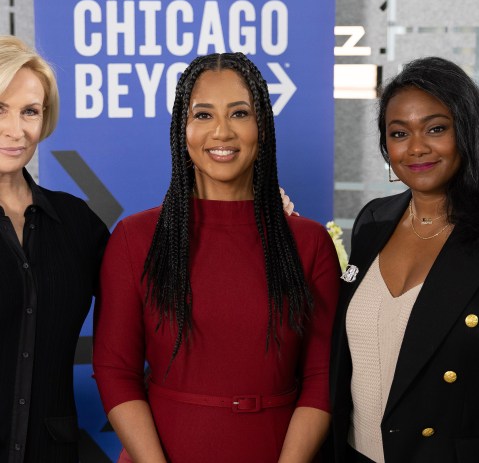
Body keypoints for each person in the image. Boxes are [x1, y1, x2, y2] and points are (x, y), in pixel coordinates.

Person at [93, 52, 340, 463]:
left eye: (240, 113)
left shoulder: (309, 243)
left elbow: (320, 379)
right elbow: (116, 371)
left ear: (262, 128)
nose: (221, 132)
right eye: (203, 115)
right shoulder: (134, 239)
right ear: (182, 131)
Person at [330, 56, 479, 463]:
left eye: (436, 128)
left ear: (466, 131)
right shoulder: (373, 219)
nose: (416, 147)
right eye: (399, 133)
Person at [0, 35, 109, 462]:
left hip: (51, 452)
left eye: (30, 111)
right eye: (0, 109)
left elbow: (153, 290)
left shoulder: (76, 223)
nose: (15, 129)